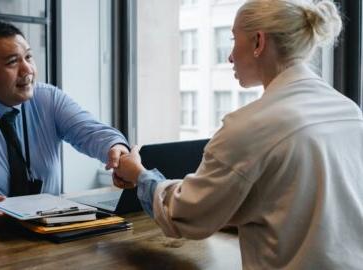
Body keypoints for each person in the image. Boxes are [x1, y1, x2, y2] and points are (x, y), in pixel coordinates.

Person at [113, 0, 363, 269]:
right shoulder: (349, 111)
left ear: (258, 42)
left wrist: (139, 175)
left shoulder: (251, 126)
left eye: (234, 39)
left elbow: (185, 214)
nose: (229, 56)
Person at [0, 21, 129, 225]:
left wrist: (116, 148)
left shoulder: (48, 98)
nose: (27, 70)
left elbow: (91, 132)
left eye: (29, 57)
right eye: (13, 62)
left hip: (48, 235)